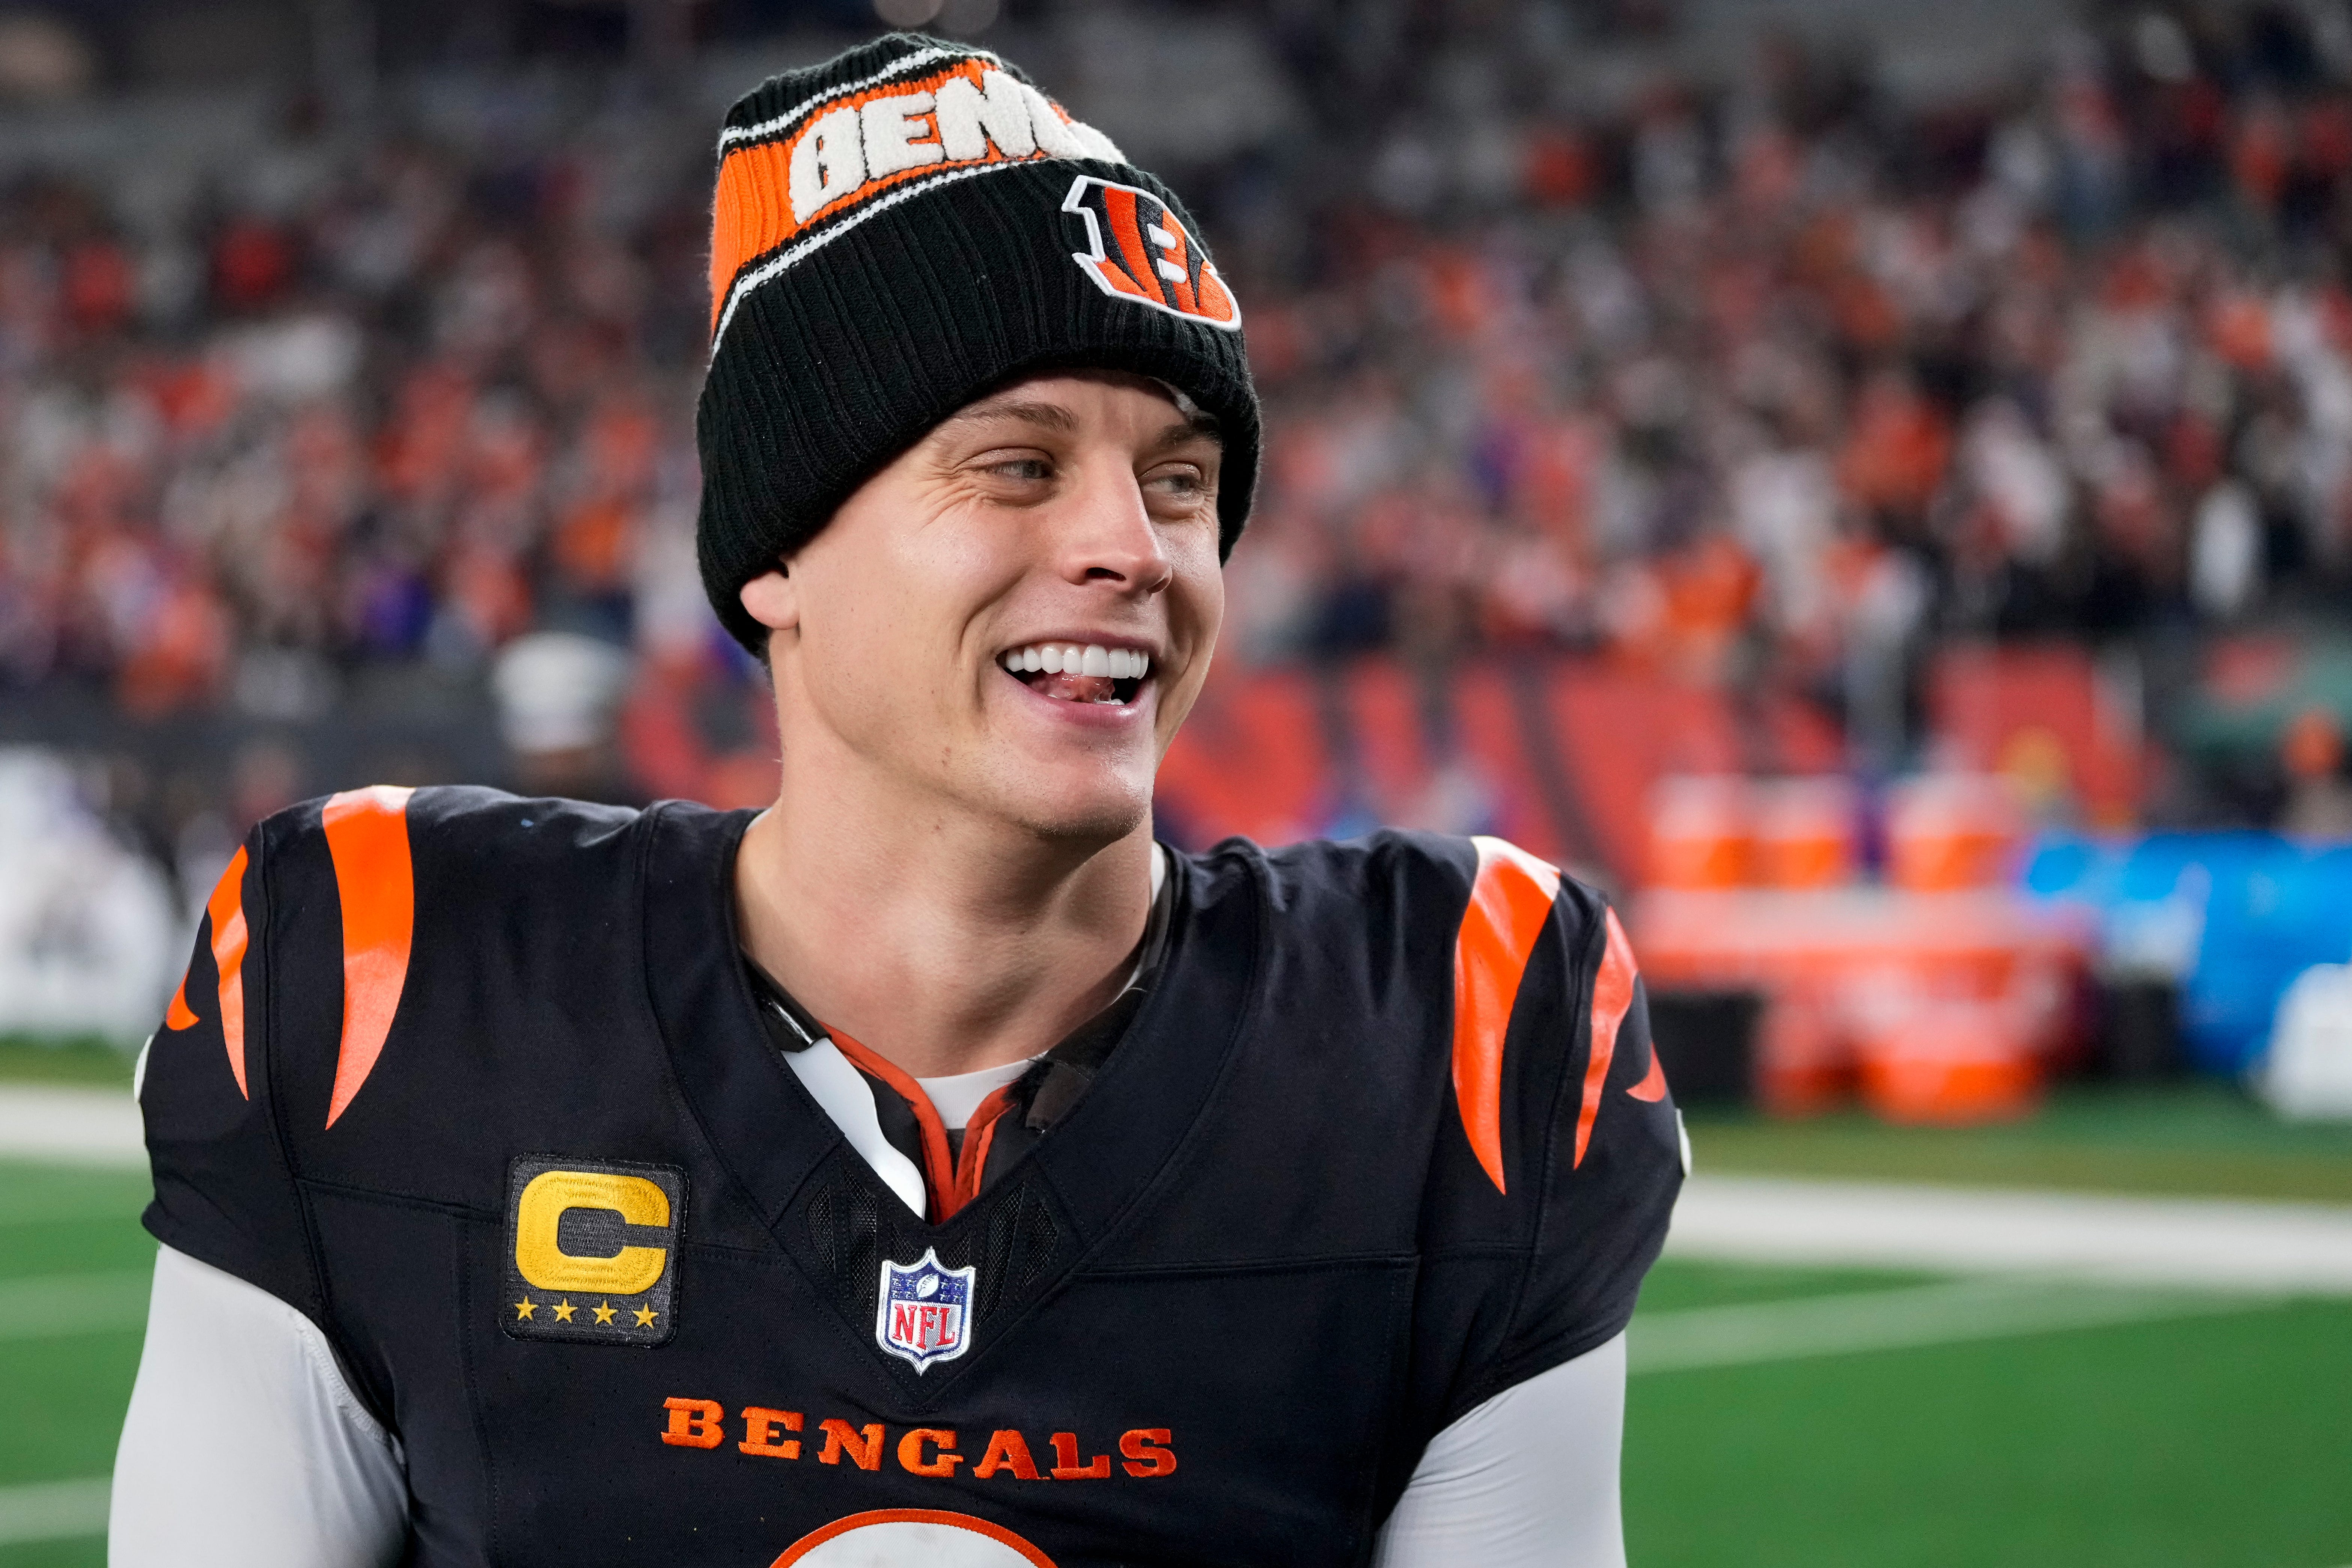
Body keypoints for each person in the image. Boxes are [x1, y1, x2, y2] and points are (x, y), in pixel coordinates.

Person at [111, 34, 1683, 1567]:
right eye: (1015, 465)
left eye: (1183, 481)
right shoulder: (391, 983)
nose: (1131, 545)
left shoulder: (1453, 1036)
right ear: (778, 550)